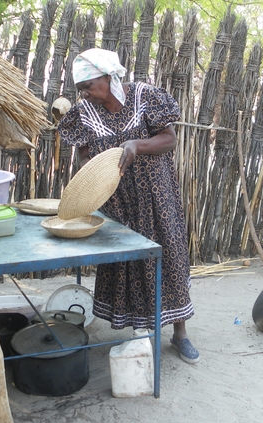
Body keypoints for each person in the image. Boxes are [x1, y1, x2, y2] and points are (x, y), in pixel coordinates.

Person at [57, 48, 199, 364]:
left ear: (109, 78)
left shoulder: (145, 97)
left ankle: (180, 334)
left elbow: (169, 139)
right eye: (81, 88)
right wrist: (95, 169)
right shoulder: (84, 113)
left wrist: (137, 145)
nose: (85, 93)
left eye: (89, 85)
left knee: (169, 257)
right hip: (118, 201)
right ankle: (140, 332)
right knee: (129, 264)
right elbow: (84, 156)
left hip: (156, 196)